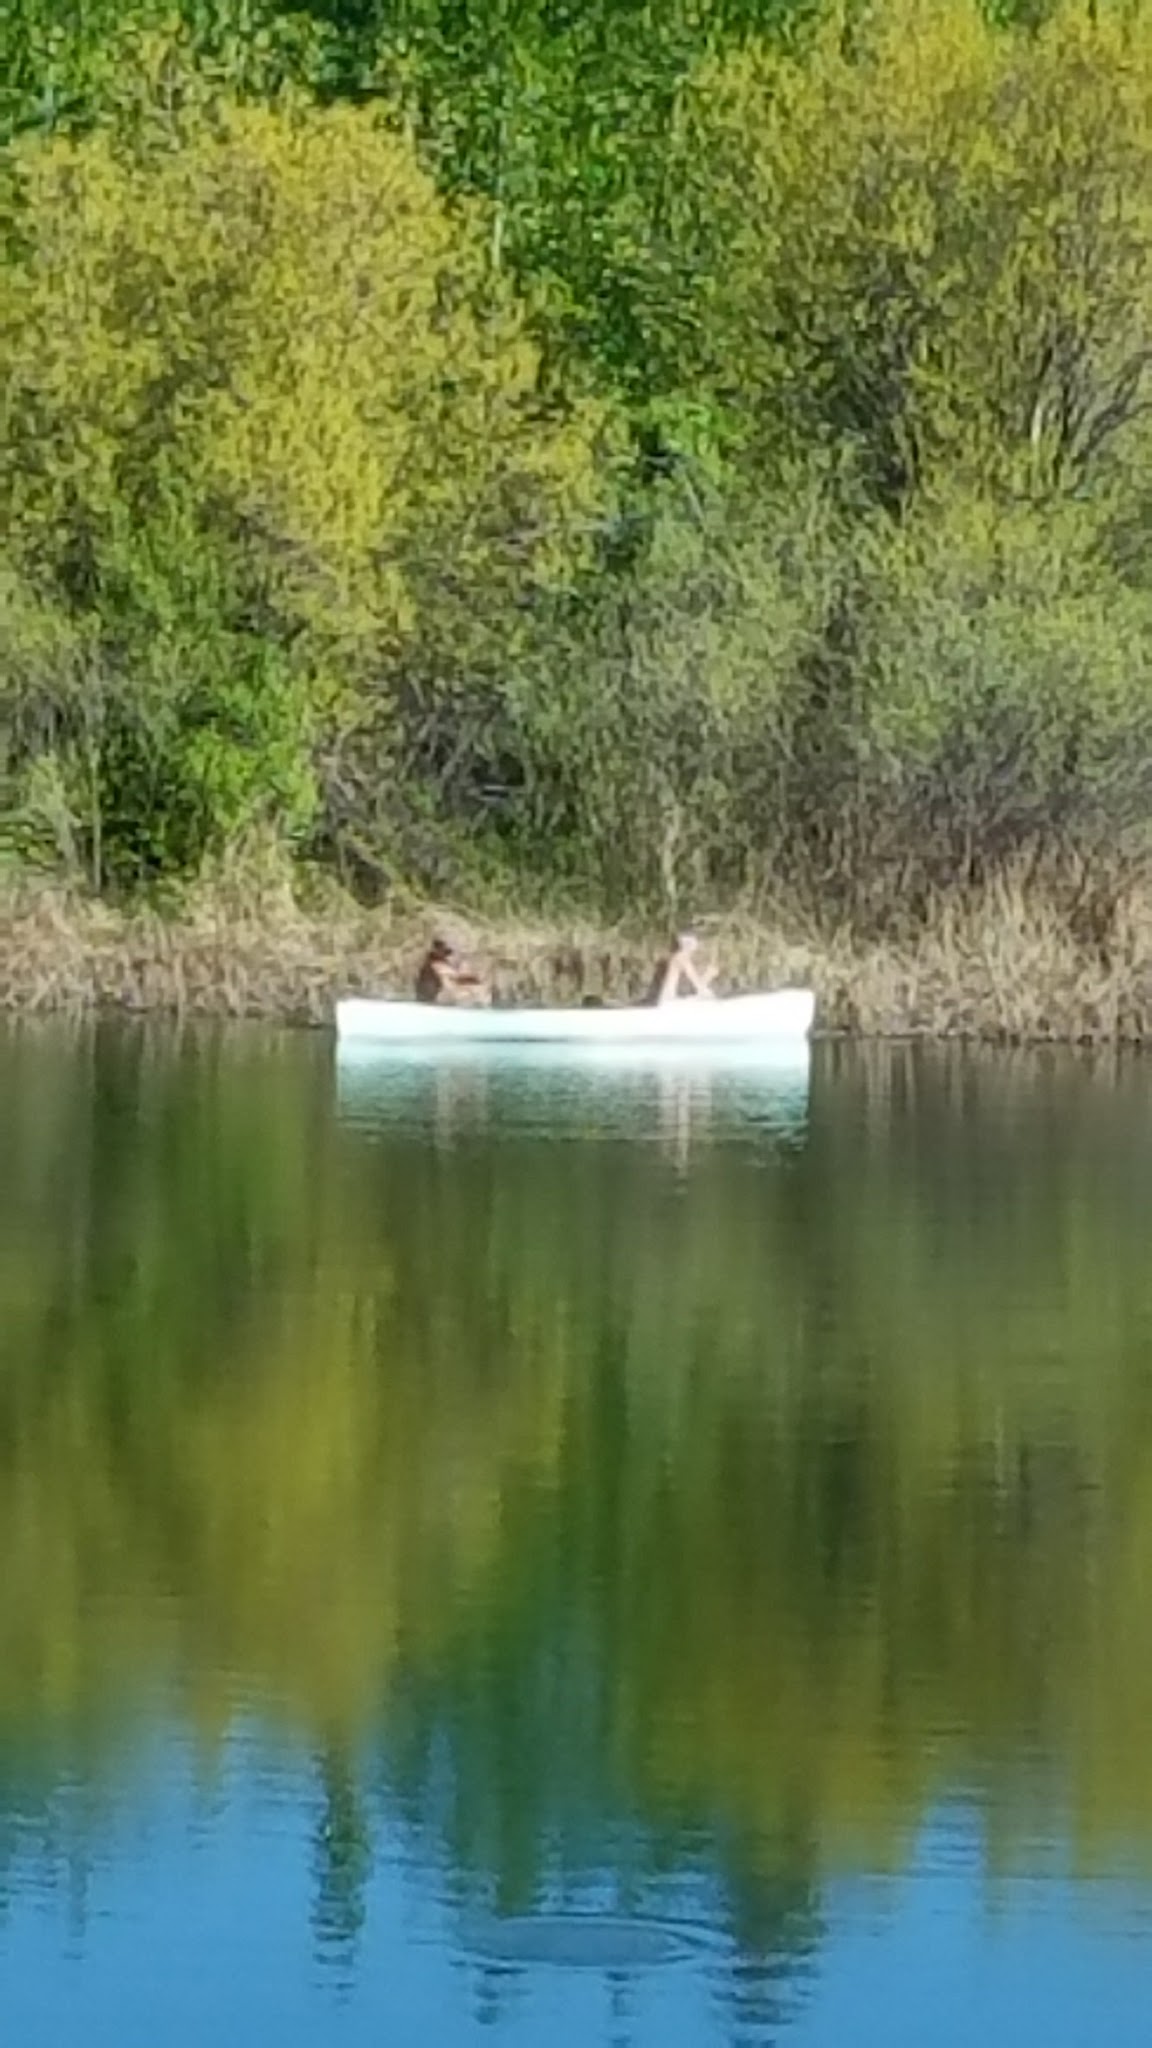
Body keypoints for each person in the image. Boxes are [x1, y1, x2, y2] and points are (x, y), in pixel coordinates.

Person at [644, 930, 718, 1006]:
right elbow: (699, 987)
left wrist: (707, 977)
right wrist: (706, 981)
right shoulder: (681, 957)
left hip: (672, 1000)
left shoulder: (682, 958)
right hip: (670, 1002)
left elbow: (693, 989)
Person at [414, 937, 490, 1006]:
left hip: (427, 1001)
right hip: (428, 1002)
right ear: (437, 951)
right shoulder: (434, 964)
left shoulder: (435, 963)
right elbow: (455, 977)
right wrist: (473, 979)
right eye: (444, 953)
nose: (447, 956)